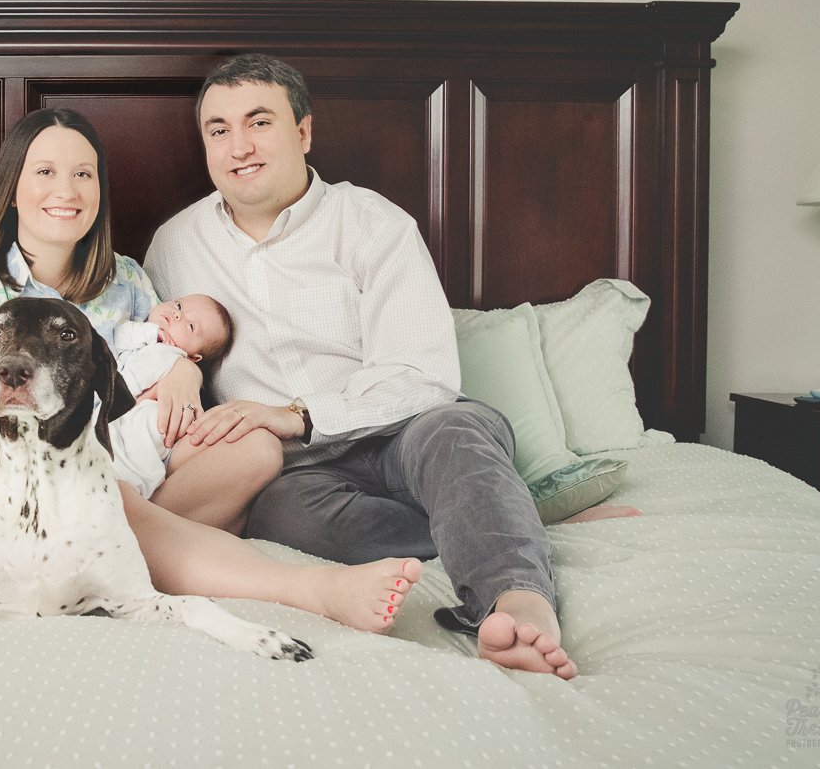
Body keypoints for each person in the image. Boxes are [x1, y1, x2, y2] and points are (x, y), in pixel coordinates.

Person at [145, 54, 639, 680]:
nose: (238, 146)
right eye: (218, 130)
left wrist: (297, 415)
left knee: (457, 434)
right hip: (296, 474)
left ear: (302, 132)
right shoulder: (175, 245)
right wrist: (181, 371)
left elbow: (424, 376)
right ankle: (509, 511)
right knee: (282, 516)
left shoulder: (373, 223)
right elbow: (146, 348)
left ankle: (518, 600)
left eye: (259, 122)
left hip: (409, 430)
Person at [0, 106, 422, 635]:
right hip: (21, 473)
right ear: (12, 189)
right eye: (45, 172)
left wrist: (183, 374)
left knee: (256, 447)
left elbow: (165, 347)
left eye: (83, 174)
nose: (67, 190)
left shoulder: (125, 278)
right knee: (104, 493)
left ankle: (128, 546)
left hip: (124, 455)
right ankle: (313, 591)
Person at [112, 294, 237, 500]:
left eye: (191, 326)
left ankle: (127, 480)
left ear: (193, 357)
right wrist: (151, 332)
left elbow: (125, 388)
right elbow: (115, 335)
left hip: (130, 430)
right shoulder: (141, 334)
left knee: (149, 425)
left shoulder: (167, 355)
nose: (177, 315)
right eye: (178, 305)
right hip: (116, 421)